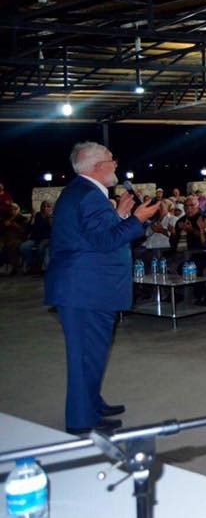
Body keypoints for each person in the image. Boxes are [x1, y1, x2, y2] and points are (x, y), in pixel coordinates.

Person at [45, 142, 161, 434]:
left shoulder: (81, 192)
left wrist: (120, 216)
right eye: (112, 160)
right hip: (86, 289)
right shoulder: (89, 196)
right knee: (85, 356)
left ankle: (92, 404)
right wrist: (137, 220)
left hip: (87, 287)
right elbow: (104, 242)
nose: (116, 166)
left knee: (93, 354)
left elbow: (96, 235)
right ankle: (82, 419)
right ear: (98, 166)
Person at [20, 200, 53, 273]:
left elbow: (53, 228)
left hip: (47, 238)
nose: (45, 208)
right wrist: (32, 217)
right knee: (24, 247)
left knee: (40, 247)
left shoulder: (53, 216)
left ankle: (40, 266)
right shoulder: (38, 215)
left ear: (52, 208)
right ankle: (32, 265)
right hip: (36, 238)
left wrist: (49, 218)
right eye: (44, 206)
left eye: (48, 206)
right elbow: (30, 228)